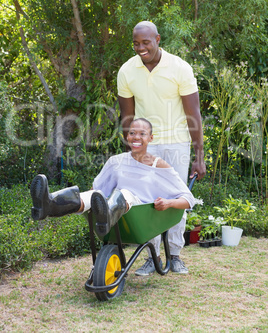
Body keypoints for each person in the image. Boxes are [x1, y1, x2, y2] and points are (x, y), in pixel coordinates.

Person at [117, 21, 206, 276]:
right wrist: (133, 149)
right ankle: (152, 255)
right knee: (146, 199)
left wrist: (199, 157)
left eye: (146, 42)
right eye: (136, 43)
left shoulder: (180, 68)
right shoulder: (126, 71)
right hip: (147, 143)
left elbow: (194, 114)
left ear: (157, 39)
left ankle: (175, 255)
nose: (140, 48)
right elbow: (127, 116)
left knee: (178, 198)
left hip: (177, 142)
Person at [31, 119, 196, 251]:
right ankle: (50, 205)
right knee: (93, 195)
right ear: (127, 136)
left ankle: (107, 215)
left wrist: (169, 203)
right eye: (132, 133)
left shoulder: (159, 166)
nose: (136, 137)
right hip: (115, 209)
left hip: (139, 213)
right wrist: (87, 200)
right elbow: (97, 190)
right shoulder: (116, 161)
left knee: (124, 193)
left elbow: (188, 198)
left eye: (142, 134)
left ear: (150, 138)